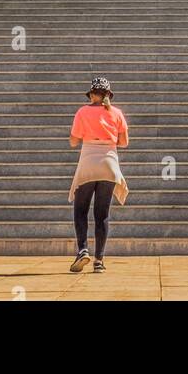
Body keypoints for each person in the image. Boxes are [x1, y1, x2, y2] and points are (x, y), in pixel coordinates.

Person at [68, 77, 129, 274]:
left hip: (88, 162)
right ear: (108, 95)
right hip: (109, 164)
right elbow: (124, 142)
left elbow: (73, 142)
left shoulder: (82, 112)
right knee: (102, 214)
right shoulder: (117, 113)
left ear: (92, 94)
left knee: (80, 210)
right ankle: (99, 261)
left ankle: (83, 249)